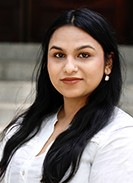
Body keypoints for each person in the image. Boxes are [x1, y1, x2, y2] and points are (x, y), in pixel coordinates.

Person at [0, 8, 133, 183]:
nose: (69, 67)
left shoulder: (119, 135)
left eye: (84, 55)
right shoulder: (26, 125)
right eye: (59, 55)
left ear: (108, 63)